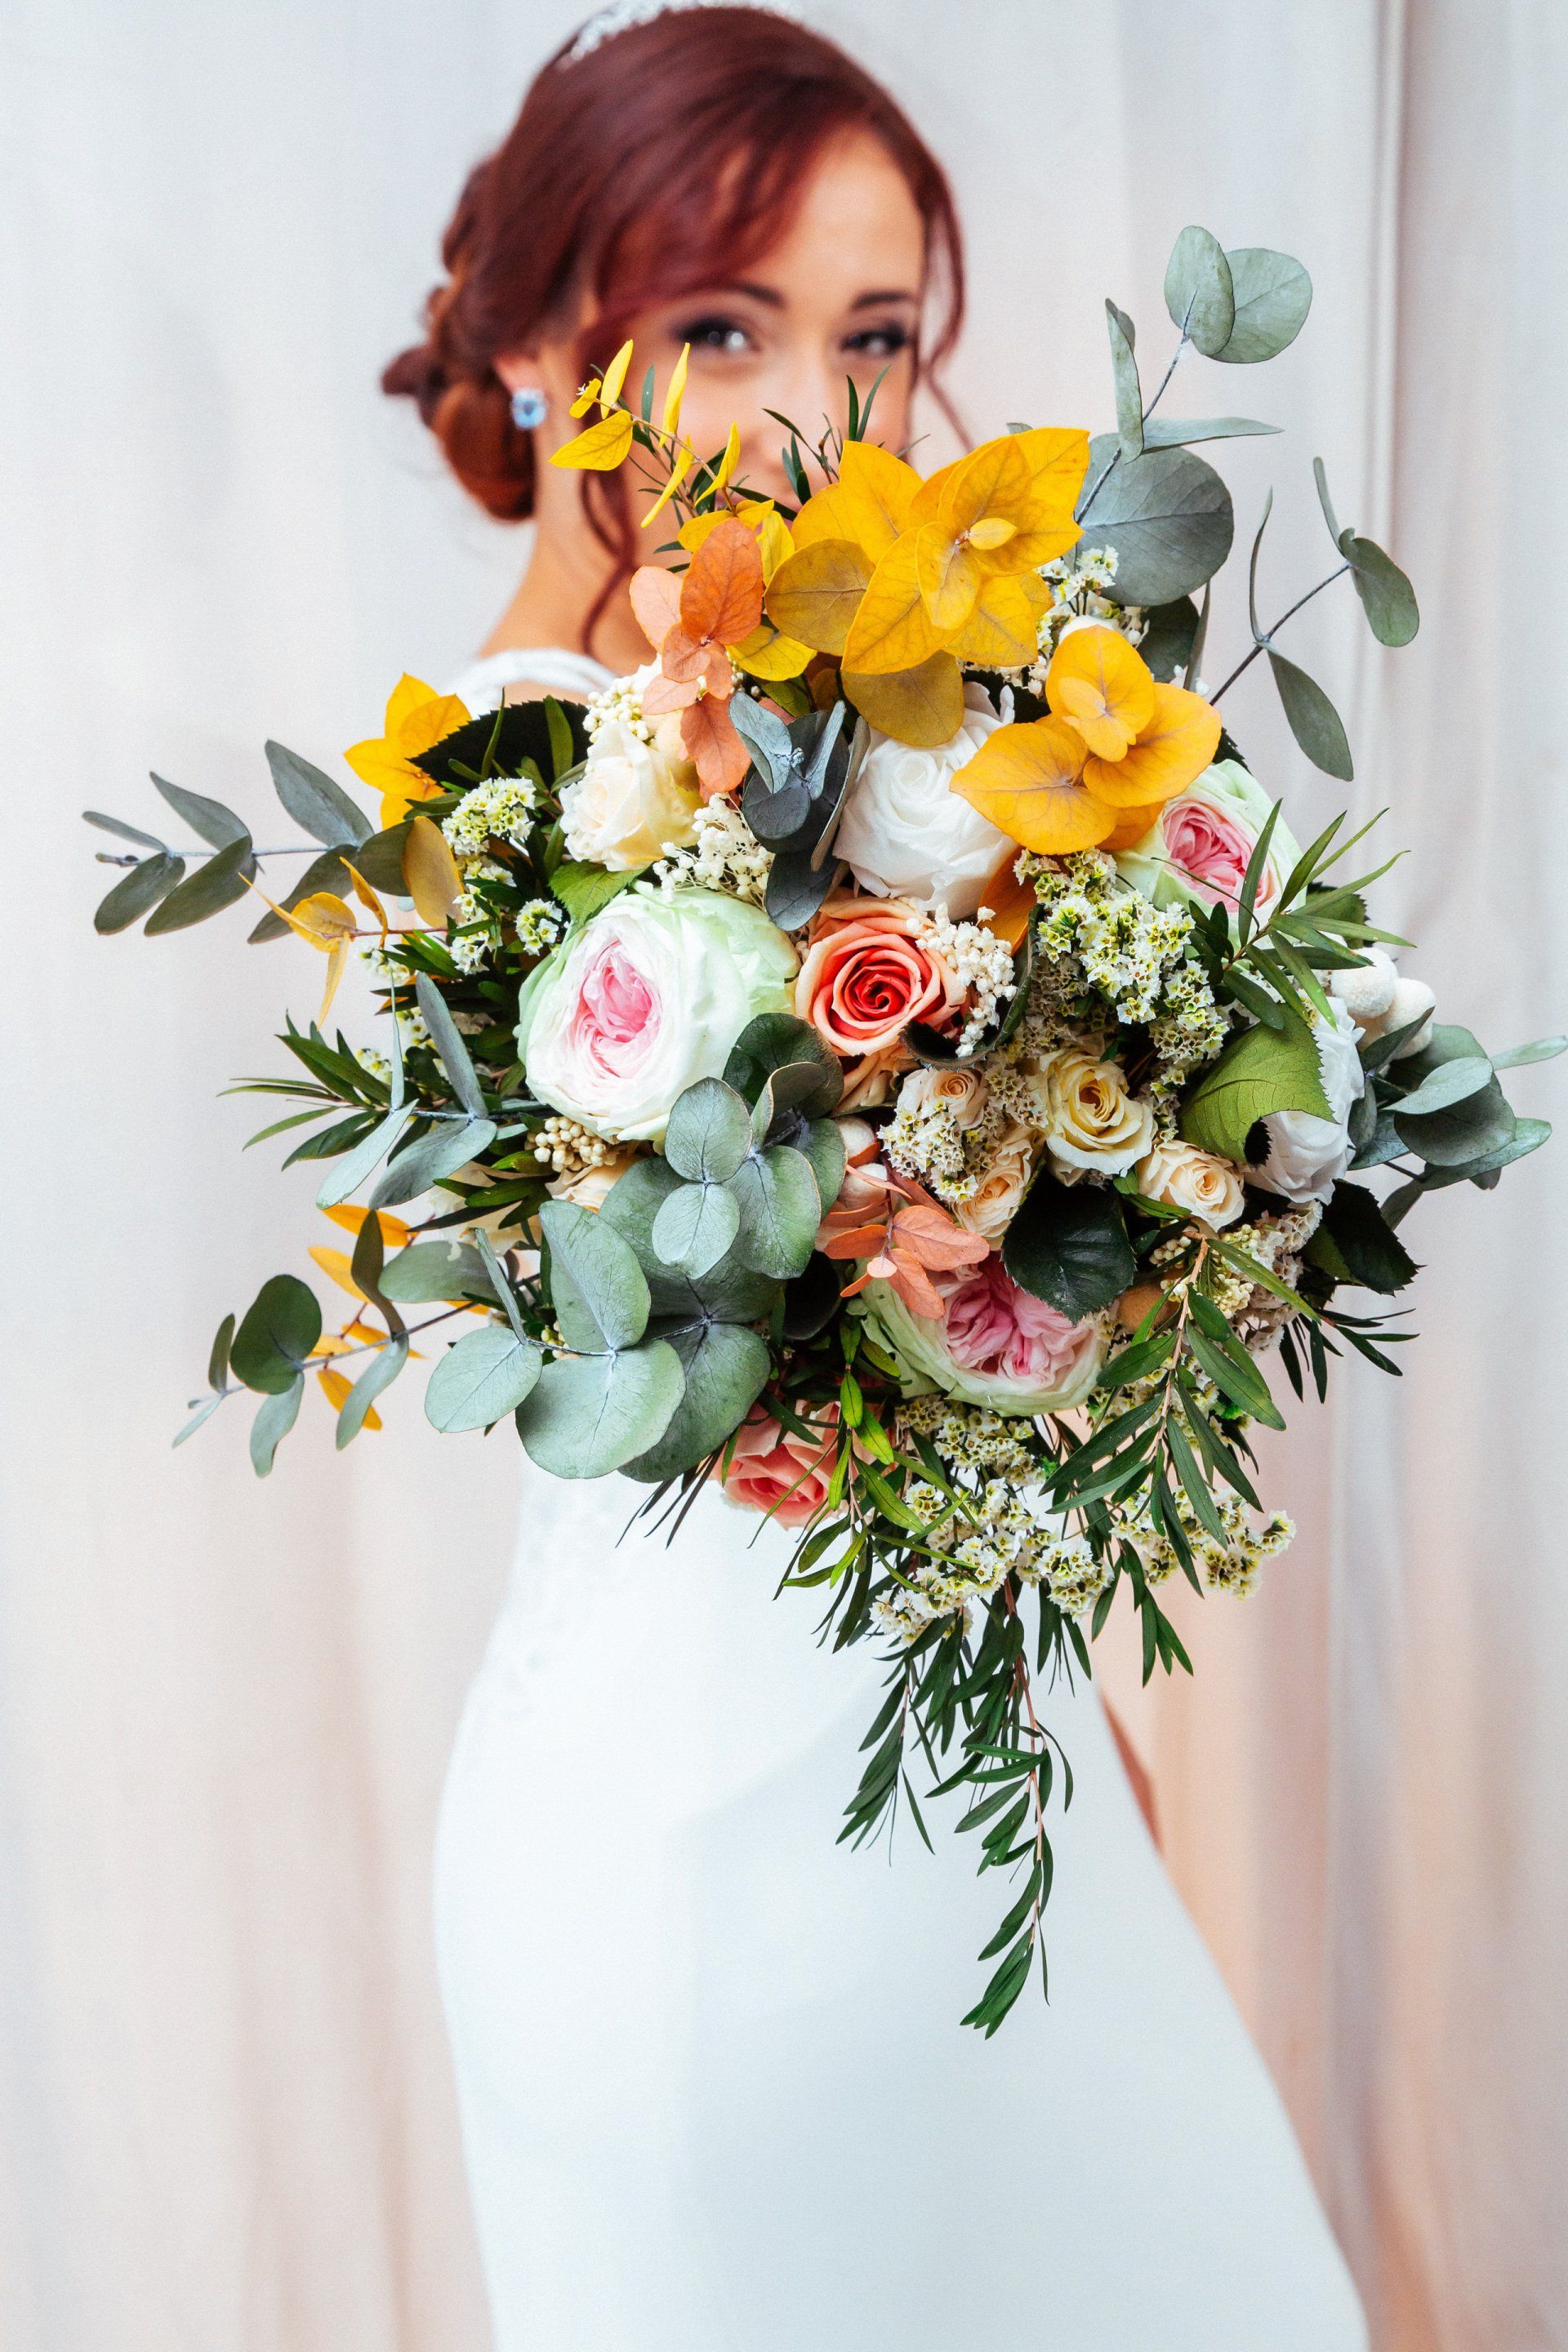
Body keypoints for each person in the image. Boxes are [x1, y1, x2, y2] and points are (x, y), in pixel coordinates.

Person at [384, 11, 1370, 2348]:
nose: (812, 420)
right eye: (723, 331)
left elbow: (966, 1369)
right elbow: (722, 1309)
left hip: (965, 1795)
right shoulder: (490, 802)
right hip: (697, 1873)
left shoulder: (876, 727)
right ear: (544, 344)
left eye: (874, 335)